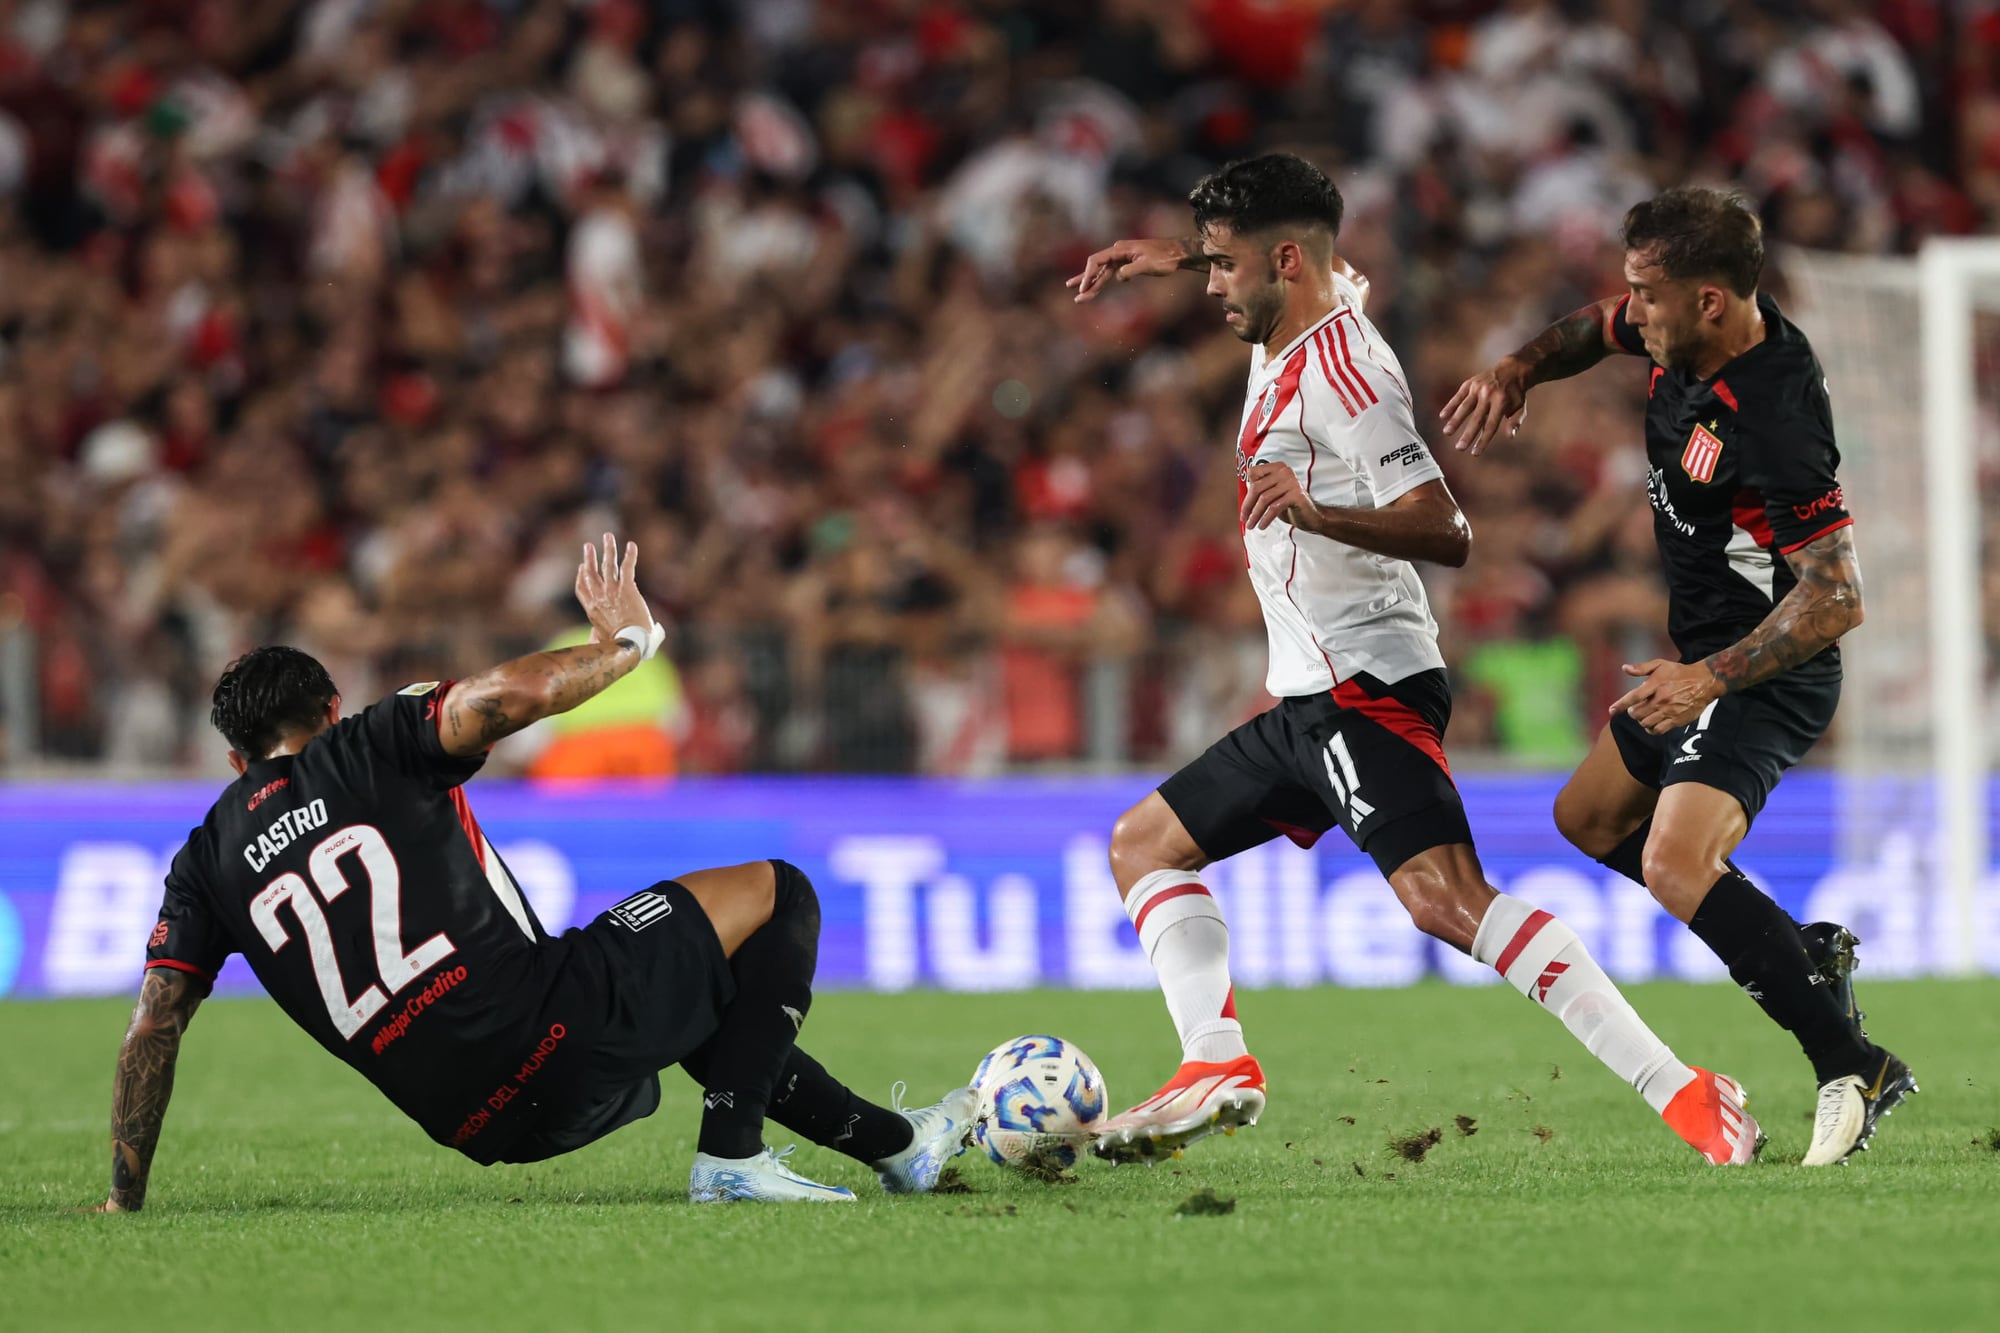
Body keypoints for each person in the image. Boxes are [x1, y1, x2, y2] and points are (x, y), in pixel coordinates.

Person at [1065, 154, 1759, 1167]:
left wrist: (1315, 511)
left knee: (1446, 901)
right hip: (1307, 690)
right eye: (1207, 267)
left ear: (1284, 261)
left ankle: (1687, 1090)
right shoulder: (1294, 306)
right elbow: (1326, 271)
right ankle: (1213, 1061)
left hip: (1366, 684)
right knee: (1143, 845)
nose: (1211, 287)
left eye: (1223, 269)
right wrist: (1176, 255)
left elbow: (1445, 526)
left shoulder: (1347, 376)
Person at [93, 534, 973, 1211]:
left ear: (232, 751)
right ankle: (732, 1158)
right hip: (546, 1033)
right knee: (778, 892)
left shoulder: (203, 861)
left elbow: (152, 1028)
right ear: (329, 707)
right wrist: (630, 642)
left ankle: (900, 1145)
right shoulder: (365, 744)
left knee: (696, 984)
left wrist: (123, 1194)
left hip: (474, 1121)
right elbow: (501, 699)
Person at [1441, 186, 1912, 1166]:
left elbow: (1835, 598)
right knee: (1587, 818)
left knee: (1668, 861)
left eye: (1647, 296)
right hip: (1693, 665)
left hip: (1762, 671)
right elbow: (1587, 327)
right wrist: (1519, 369)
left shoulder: (1775, 410)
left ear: (1707, 301)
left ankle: (1851, 1063)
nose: (1631, 312)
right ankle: (1800, 950)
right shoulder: (1682, 335)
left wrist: (1707, 679)